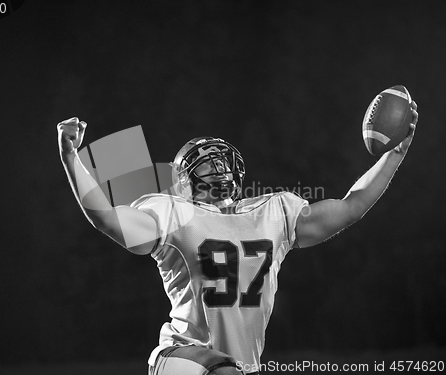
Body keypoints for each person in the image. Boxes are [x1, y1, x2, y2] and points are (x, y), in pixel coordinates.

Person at [57, 102, 418, 375]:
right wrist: (71, 157)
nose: (219, 169)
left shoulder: (274, 213)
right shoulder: (173, 213)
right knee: (225, 371)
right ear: (184, 181)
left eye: (222, 162)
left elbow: (350, 206)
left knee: (232, 370)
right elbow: (106, 218)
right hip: (180, 359)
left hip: (245, 367)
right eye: (207, 164)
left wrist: (394, 155)